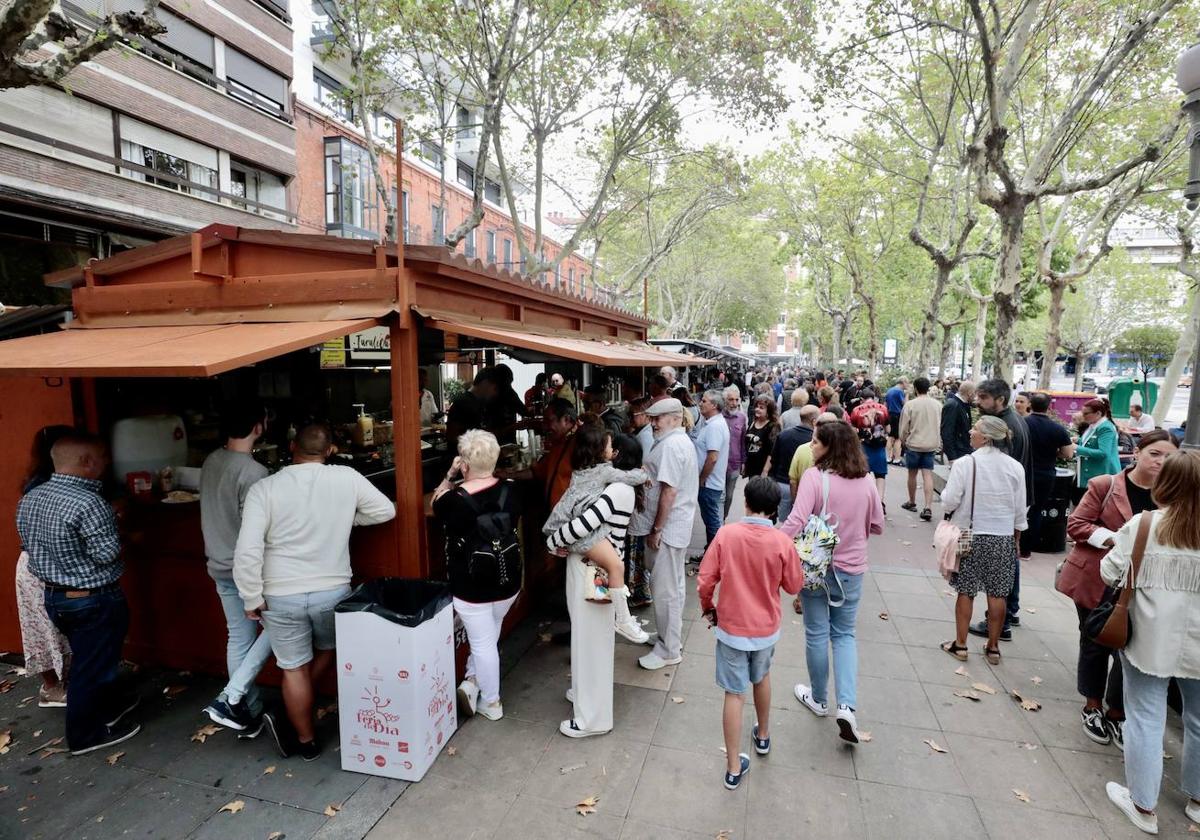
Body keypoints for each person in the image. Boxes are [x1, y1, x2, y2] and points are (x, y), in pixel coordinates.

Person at [235, 424, 395, 760]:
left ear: (292, 446)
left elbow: (248, 550)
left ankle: (305, 741)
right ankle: (298, 710)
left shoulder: (264, 488)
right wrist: (345, 520)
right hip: (332, 591)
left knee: (293, 668)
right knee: (329, 646)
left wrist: (251, 597)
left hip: (280, 594)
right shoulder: (346, 477)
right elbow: (385, 510)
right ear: (331, 450)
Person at [17, 433, 140, 754]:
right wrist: (118, 525)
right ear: (86, 462)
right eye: (101, 456)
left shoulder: (32, 497)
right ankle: (86, 736)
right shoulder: (90, 503)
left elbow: (30, 546)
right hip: (93, 597)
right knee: (91, 666)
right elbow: (106, 554)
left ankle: (106, 711)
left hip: (56, 597)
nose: (107, 462)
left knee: (91, 659)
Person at [1058, 430, 1178, 750]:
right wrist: (1121, 540)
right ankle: (1093, 706)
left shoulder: (1173, 497)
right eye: (1155, 453)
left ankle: (1117, 711)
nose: (1161, 461)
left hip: (1146, 587)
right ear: (1137, 453)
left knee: (1130, 649)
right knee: (1096, 642)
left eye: (1168, 456)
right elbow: (1077, 525)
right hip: (1099, 579)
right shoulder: (1106, 486)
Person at [1101, 450, 1200, 836]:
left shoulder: (1145, 525)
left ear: (1166, 484)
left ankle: (1143, 804)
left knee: (1144, 716)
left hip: (1148, 639)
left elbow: (1109, 572)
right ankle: (1196, 799)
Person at [779, 422, 884, 744]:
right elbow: (877, 525)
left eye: (816, 442)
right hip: (852, 568)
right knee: (844, 634)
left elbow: (796, 520)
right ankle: (847, 706)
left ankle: (819, 698)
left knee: (816, 632)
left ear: (830, 447)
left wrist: (773, 545)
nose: (811, 446)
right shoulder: (866, 481)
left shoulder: (815, 477)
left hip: (817, 568)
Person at [698, 477, 804, 789]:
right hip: (766, 629)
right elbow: (793, 585)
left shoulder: (726, 534)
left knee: (734, 693)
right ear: (774, 511)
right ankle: (763, 735)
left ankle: (733, 767)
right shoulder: (782, 541)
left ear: (746, 502)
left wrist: (708, 606)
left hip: (731, 627)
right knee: (762, 676)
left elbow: (706, 579)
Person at [547, 433, 647, 737]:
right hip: (591, 568)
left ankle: (592, 720)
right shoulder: (616, 486)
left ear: (618, 456)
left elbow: (583, 526)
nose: (608, 451)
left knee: (592, 646)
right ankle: (584, 697)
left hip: (594, 572)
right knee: (586, 641)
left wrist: (553, 541)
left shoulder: (617, 490)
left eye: (612, 447)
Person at [432, 429, 522, 722]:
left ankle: (492, 702)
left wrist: (449, 474)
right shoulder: (512, 490)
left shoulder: (453, 500)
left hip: (472, 585)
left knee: (483, 643)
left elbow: (435, 501)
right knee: (488, 634)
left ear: (465, 464)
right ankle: (472, 680)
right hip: (508, 580)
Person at [200, 404, 272, 736]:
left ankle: (246, 711)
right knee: (284, 623)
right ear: (259, 426)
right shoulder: (254, 472)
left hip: (218, 563)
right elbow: (254, 531)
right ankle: (234, 696)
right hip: (248, 570)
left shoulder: (212, 460)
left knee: (238, 638)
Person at [543, 423, 649, 643]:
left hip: (577, 547)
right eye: (610, 446)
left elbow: (576, 519)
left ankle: (622, 620)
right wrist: (643, 475)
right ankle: (624, 619)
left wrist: (553, 541)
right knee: (616, 568)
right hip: (586, 548)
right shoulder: (609, 476)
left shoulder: (583, 473)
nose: (612, 452)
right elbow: (583, 526)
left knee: (587, 628)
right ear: (602, 451)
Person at [938, 417, 1028, 666]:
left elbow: (950, 500)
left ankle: (961, 644)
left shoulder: (966, 463)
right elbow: (1020, 510)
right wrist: (1016, 537)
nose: (970, 431)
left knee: (966, 591)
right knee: (998, 594)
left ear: (986, 437)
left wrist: (946, 498)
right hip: (1002, 538)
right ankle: (993, 647)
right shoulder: (1015, 467)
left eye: (975, 428)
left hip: (971, 535)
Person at [630, 398, 698, 671]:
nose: (653, 423)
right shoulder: (676, 442)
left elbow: (668, 492)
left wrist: (657, 529)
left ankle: (669, 649)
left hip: (668, 528)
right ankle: (669, 640)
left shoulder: (672, 445)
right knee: (674, 588)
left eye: (657, 419)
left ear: (672, 418)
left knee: (665, 590)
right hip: (674, 526)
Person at [14, 425, 74, 710]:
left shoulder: (36, 483)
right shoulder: (45, 487)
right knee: (46, 628)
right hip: (40, 568)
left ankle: (59, 684)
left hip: (34, 564)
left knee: (48, 628)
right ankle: (52, 687)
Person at [970, 378, 1032, 641]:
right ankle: (1011, 612)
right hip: (1014, 503)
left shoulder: (1004, 426)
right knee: (1009, 560)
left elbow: (998, 472)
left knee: (1004, 565)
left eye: (983, 398)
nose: (978, 402)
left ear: (1000, 400)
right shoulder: (1014, 419)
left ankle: (1001, 622)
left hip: (1005, 508)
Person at [504, 397, 580, 510]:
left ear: (566, 420)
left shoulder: (582, 445)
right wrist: (508, 475)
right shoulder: (557, 443)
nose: (544, 427)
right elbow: (538, 472)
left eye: (549, 421)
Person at [1023, 392, 1076, 549]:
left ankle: (1016, 544)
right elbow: (1068, 453)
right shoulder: (1057, 428)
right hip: (1046, 474)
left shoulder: (1022, 424)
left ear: (1030, 405)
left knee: (1018, 509)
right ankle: (1029, 548)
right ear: (1048, 407)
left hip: (1023, 472)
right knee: (1037, 510)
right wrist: (1053, 454)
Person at [899, 377, 941, 521]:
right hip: (931, 444)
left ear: (915, 388)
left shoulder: (910, 405)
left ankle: (912, 502)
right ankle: (928, 506)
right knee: (927, 474)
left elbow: (904, 428)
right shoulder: (937, 405)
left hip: (914, 444)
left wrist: (903, 440)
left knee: (912, 474)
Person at [764, 403, 813, 523]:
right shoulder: (814, 440)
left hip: (782, 482)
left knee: (783, 522)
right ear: (814, 420)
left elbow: (774, 459)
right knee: (800, 521)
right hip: (804, 488)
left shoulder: (784, 435)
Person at [694, 390, 731, 550]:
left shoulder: (715, 426)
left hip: (709, 484)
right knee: (711, 521)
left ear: (714, 405)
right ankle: (712, 553)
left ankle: (716, 556)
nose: (700, 403)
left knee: (712, 522)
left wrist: (701, 479)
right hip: (710, 483)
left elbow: (713, 457)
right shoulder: (712, 423)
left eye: (704, 401)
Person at [849, 388, 890, 514]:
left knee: (862, 475)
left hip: (863, 446)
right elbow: (888, 429)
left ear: (861, 399)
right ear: (874, 397)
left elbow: (853, 430)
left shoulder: (856, 410)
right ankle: (880, 502)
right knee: (880, 475)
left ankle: (864, 503)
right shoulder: (883, 409)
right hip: (879, 446)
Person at [1076, 398, 1122, 501]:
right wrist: (1077, 440)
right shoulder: (1094, 425)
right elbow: (1090, 442)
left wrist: (1077, 448)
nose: (1083, 416)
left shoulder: (1106, 428)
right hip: (1090, 472)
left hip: (1102, 472)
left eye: (1086, 413)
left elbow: (1103, 453)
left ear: (1098, 413)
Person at [446, 368, 497, 453]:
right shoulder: (462, 402)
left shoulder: (480, 402)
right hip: (464, 460)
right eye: (494, 388)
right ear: (485, 383)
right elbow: (451, 436)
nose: (495, 393)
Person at [722, 386, 747, 520]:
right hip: (718, 464)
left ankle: (723, 518)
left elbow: (743, 441)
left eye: (736, 400)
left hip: (734, 463)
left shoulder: (742, 418)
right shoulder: (719, 417)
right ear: (725, 400)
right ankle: (717, 522)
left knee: (730, 495)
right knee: (720, 494)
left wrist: (744, 461)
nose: (734, 403)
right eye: (730, 399)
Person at [742, 395, 779, 481]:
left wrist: (765, 471)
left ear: (769, 411)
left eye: (761, 408)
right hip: (752, 468)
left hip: (763, 470)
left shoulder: (772, 426)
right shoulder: (753, 422)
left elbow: (772, 452)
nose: (757, 409)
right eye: (757, 407)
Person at [941, 380, 976, 464]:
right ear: (970, 393)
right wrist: (952, 457)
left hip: (963, 451)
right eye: (975, 393)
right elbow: (947, 432)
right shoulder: (953, 405)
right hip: (956, 454)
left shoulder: (964, 405)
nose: (975, 397)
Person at [885, 377, 908, 465]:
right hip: (897, 415)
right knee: (898, 438)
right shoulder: (899, 391)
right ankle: (897, 459)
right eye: (907, 383)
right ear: (903, 382)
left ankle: (888, 457)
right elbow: (905, 404)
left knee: (890, 436)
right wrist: (907, 395)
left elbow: (886, 404)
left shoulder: (889, 390)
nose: (908, 385)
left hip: (890, 414)